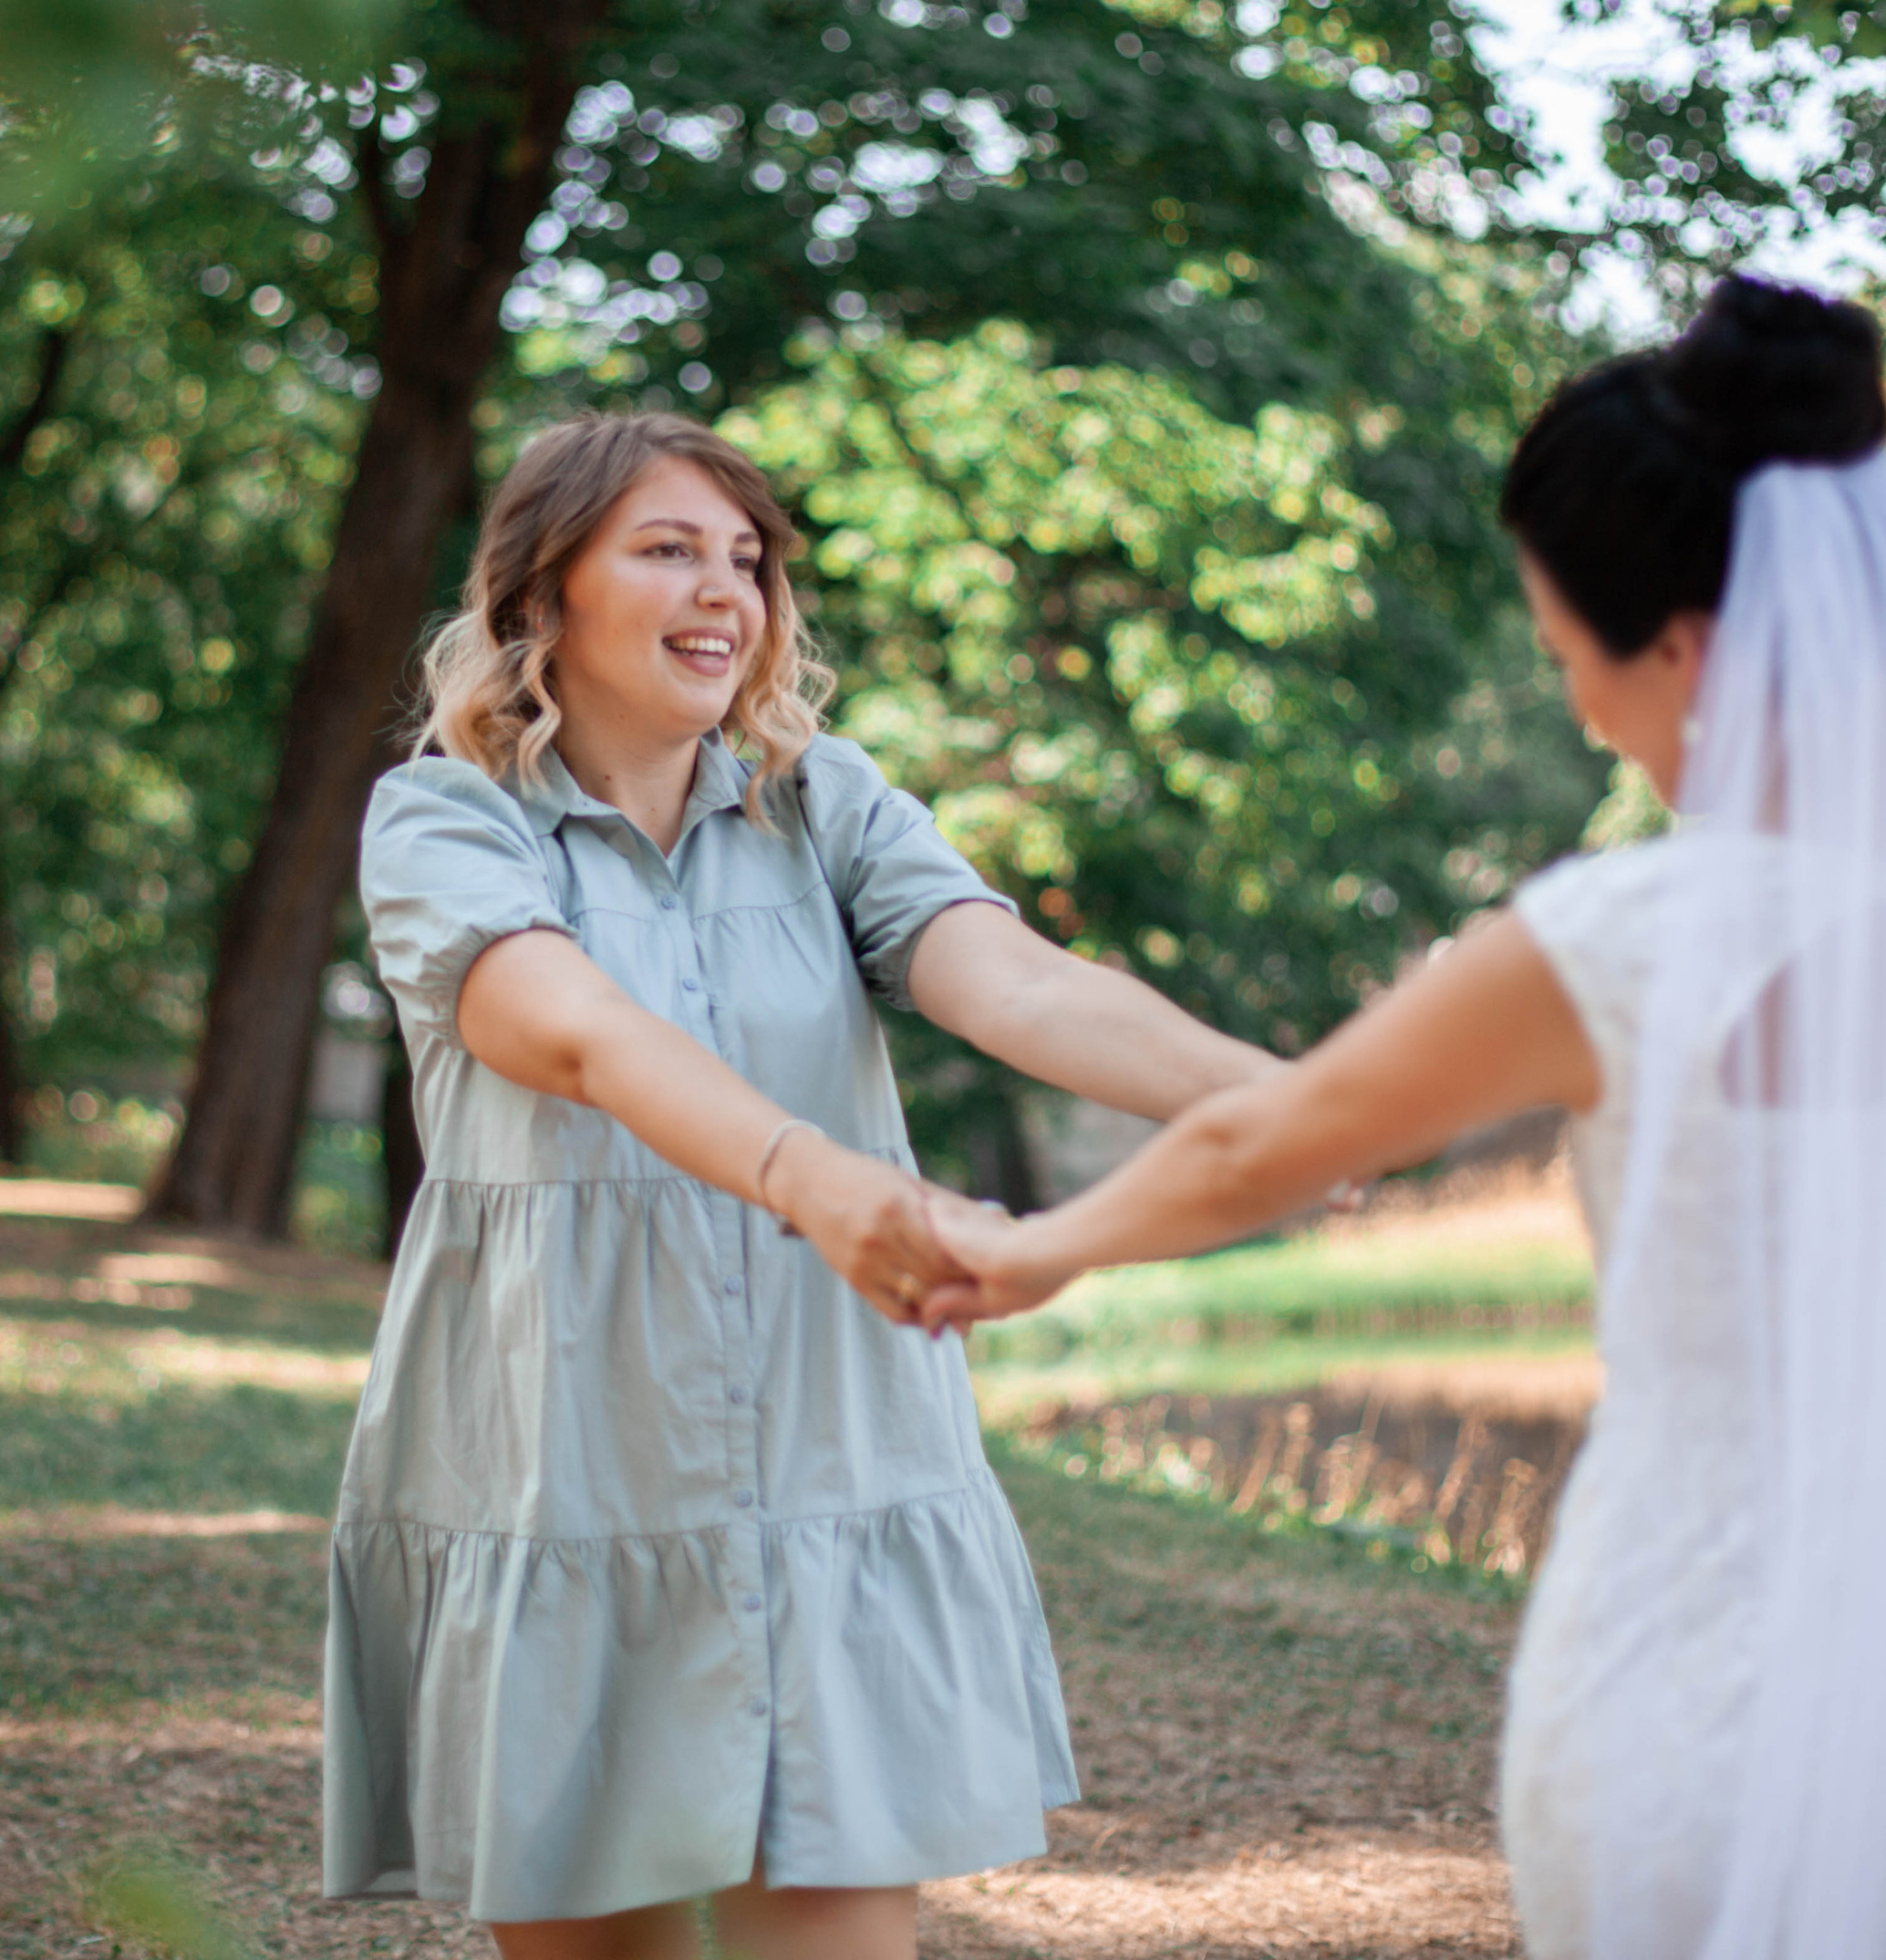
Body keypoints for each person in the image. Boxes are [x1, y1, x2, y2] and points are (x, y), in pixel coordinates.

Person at [923, 274, 1886, 1958]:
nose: (1582, 705)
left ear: (1682, 642)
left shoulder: (1627, 942)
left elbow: (1276, 1139)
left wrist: (1030, 1249)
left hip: (1699, 1648)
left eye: (1564, 654)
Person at [324, 411, 1283, 1958]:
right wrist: (815, 1180)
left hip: (834, 1461)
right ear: (538, 595)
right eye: (667, 550)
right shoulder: (445, 819)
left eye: (748, 559)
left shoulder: (821, 799)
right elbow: (569, 1033)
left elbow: (1021, 989)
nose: (727, 591)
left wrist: (1309, 1105)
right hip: (572, 1472)